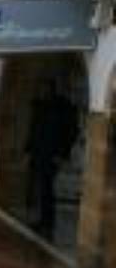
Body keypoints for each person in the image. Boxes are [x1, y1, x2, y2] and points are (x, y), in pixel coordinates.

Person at [25, 79, 78, 237]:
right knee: (40, 187)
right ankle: (42, 219)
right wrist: (28, 150)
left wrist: (62, 154)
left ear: (51, 89)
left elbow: (70, 132)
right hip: (39, 153)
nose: (42, 91)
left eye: (45, 88)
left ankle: (48, 222)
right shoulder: (41, 106)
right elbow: (34, 129)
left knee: (47, 188)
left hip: (52, 155)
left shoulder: (62, 107)